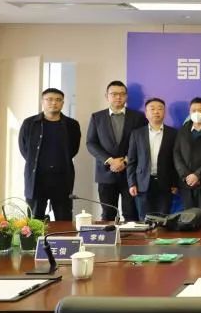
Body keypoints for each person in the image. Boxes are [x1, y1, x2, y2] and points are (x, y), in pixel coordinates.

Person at [86, 80, 147, 221]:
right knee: (108, 214)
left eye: (122, 94)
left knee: (131, 214)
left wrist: (125, 160)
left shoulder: (138, 117)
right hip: (105, 173)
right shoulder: (97, 117)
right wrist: (110, 160)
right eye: (114, 94)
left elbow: (142, 143)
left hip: (130, 174)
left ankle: (132, 237)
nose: (118, 97)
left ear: (126, 96)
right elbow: (91, 143)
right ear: (106, 96)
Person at [19, 88, 81, 220]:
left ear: (63, 103)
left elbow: (73, 149)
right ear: (42, 101)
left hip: (62, 178)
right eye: (50, 99)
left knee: (64, 218)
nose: (54, 103)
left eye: (58, 100)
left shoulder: (72, 125)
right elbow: (24, 149)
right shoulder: (30, 123)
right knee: (34, 219)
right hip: (37, 178)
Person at [127, 98, 178, 219]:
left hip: (165, 184)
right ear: (146, 113)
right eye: (152, 109)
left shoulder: (173, 134)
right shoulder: (137, 134)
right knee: (144, 220)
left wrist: (175, 183)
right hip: (142, 184)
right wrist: (132, 183)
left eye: (160, 109)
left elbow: (176, 161)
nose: (156, 112)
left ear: (164, 113)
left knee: (163, 220)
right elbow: (132, 161)